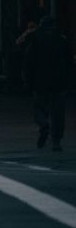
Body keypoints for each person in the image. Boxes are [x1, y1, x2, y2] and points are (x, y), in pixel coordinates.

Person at [23, 14, 72, 152]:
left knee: (39, 108)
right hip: (59, 82)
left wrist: (27, 81)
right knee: (58, 113)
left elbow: (29, 62)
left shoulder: (35, 39)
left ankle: (44, 124)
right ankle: (56, 140)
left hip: (40, 81)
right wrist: (68, 81)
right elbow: (69, 63)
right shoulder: (61, 40)